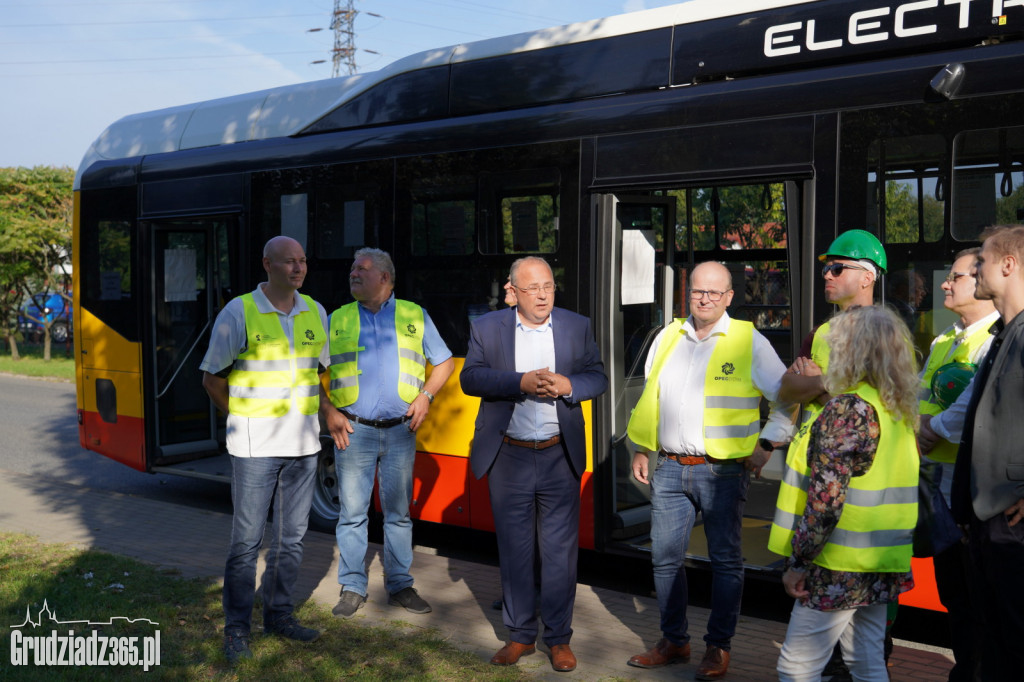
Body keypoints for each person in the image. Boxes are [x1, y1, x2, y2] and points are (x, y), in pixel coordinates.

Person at [625, 261, 794, 680]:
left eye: (715, 293)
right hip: (669, 467)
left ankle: (718, 647)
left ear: (730, 297)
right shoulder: (668, 335)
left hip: (722, 473)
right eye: (698, 292)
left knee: (725, 562)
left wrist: (768, 443)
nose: (704, 299)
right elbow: (652, 397)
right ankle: (674, 641)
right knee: (664, 560)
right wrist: (645, 448)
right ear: (689, 293)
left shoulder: (747, 340)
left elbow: (787, 399)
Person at [460, 256, 607, 673]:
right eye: (533, 288)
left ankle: (559, 640)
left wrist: (570, 386)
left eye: (548, 286)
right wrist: (519, 382)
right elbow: (470, 378)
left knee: (560, 554)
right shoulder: (488, 328)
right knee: (515, 550)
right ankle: (521, 636)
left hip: (560, 454)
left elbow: (598, 376)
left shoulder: (577, 326)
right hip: (509, 455)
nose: (542, 295)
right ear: (514, 292)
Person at [199, 236, 330, 664]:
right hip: (255, 447)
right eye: (289, 261)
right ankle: (236, 629)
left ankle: (279, 616)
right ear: (267, 265)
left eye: (302, 261)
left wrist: (329, 414)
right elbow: (212, 380)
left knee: (291, 540)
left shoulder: (316, 311)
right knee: (246, 542)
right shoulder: (239, 311)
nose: (298, 268)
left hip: (305, 445)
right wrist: (241, 418)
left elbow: (318, 375)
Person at [772, 305, 919, 682]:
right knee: (866, 660)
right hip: (883, 561)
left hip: (838, 564)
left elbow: (825, 502)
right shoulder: (897, 408)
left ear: (851, 350)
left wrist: (799, 562)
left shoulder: (847, 408)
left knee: (797, 667)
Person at [776, 229, 889, 678]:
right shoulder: (822, 331)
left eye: (836, 267)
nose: (826, 274)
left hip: (841, 531)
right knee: (865, 658)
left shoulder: (879, 333)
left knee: (799, 667)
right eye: (826, 267)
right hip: (873, 534)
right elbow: (788, 387)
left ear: (867, 277)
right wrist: (822, 381)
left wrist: (819, 384)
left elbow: (819, 393)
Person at [323, 248, 454, 620]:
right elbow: (310, 371)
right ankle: (352, 587)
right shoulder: (338, 319)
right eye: (352, 267)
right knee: (352, 514)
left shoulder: (414, 314)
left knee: (398, 514)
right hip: (354, 431)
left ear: (385, 277)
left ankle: (399, 584)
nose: (353, 273)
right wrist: (328, 411)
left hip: (400, 432)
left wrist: (426, 396)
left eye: (361, 269)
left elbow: (443, 361)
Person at [915, 249, 997, 682]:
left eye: (955, 277)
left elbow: (977, 406)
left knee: (978, 596)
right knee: (954, 595)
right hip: (937, 488)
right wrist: (917, 424)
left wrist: (935, 428)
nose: (945, 284)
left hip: (971, 488)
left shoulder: (994, 339)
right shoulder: (944, 339)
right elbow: (916, 395)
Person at [950, 225, 1024, 681]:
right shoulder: (1003, 332)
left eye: (982, 262)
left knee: (1014, 637)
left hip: (1011, 519)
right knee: (993, 634)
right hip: (987, 518)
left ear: (1009, 266)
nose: (974, 268)